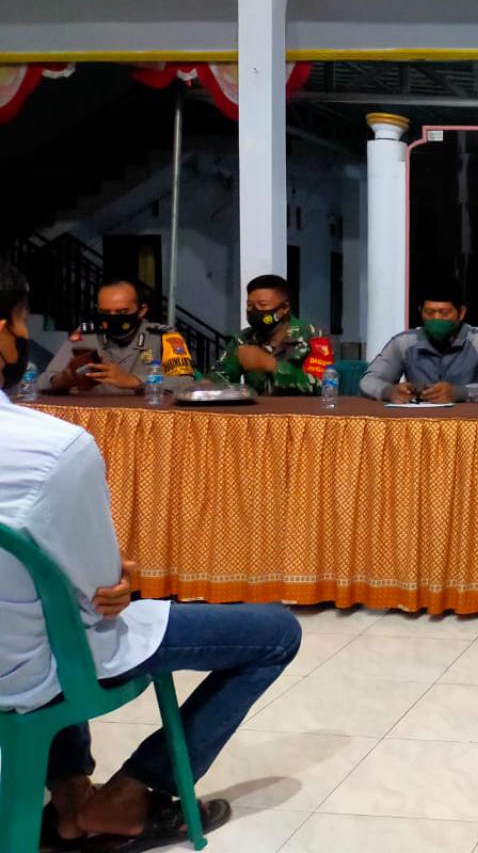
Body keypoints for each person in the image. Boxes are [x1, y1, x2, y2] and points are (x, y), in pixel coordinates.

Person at [0, 261, 301, 849]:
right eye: (18, 323)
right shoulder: (53, 446)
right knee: (276, 633)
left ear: (140, 311)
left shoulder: (167, 341)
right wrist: (118, 576)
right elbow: (101, 591)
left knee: (37, 603)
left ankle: (70, 798)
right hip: (32, 666)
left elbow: (187, 385)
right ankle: (130, 797)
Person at [360, 277, 478, 402]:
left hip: (468, 424)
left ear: (461, 313)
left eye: (444, 313)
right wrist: (390, 392)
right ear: (420, 311)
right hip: (418, 422)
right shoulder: (404, 342)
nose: (436, 318)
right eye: (429, 312)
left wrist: (459, 393)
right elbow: (368, 381)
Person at [39, 279, 196, 397]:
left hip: (146, 419)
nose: (113, 318)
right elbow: (42, 381)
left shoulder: (165, 337)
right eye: (105, 312)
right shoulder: (85, 335)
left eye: (122, 312)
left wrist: (133, 381)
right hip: (95, 418)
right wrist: (62, 380)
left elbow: (186, 383)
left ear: (142, 310)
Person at [212, 274, 333, 396]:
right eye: (250, 305)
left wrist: (271, 365)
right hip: (258, 408)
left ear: (284, 308)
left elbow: (324, 385)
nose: (254, 311)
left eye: (263, 305)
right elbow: (219, 377)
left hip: (301, 408)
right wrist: (207, 385)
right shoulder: (243, 339)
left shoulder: (315, 336)